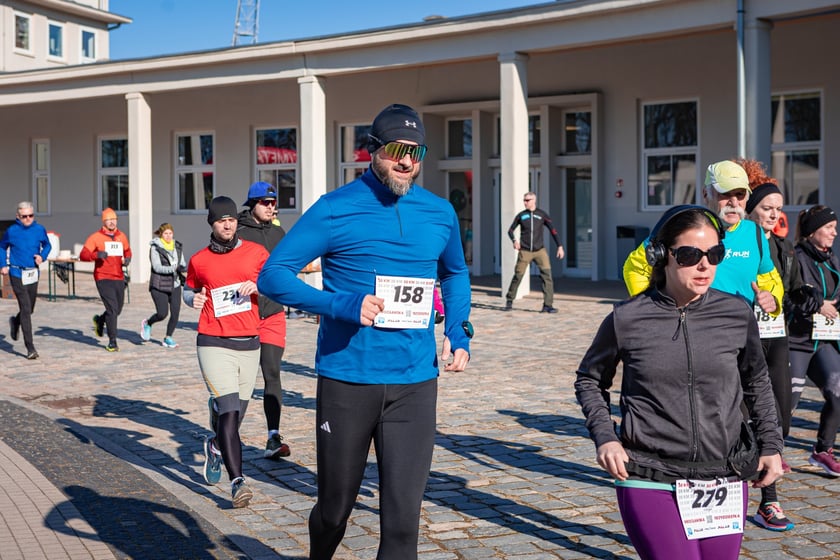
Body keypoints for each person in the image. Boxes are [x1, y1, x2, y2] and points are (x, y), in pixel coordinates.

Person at [257, 103, 472, 559]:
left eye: (416, 152)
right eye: (396, 149)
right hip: (347, 380)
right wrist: (342, 304)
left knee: (401, 523)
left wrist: (458, 329)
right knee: (336, 509)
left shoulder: (439, 213)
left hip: (415, 382)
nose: (407, 161)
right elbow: (274, 275)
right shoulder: (335, 209)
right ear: (371, 151)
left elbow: (454, 273)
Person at [576, 205, 784, 560]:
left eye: (714, 254)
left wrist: (771, 444)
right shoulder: (627, 318)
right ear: (662, 255)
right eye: (690, 255)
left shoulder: (736, 313)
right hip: (648, 473)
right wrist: (605, 437)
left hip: (724, 474)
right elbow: (589, 380)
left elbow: (757, 380)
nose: (705, 266)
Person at [742, 159, 815, 531]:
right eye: (766, 208)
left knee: (780, 417)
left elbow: (793, 293)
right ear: (749, 209)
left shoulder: (783, 249)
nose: (774, 214)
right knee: (740, 419)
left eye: (777, 209)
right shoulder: (736, 244)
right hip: (742, 339)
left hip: (776, 337)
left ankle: (761, 489)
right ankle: (765, 501)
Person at [183, 196, 268, 508]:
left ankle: (216, 445)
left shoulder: (256, 253)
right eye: (221, 220)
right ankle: (238, 482)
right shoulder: (199, 260)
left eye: (231, 219)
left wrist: (258, 287)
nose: (228, 224)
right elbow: (190, 289)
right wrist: (188, 300)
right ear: (212, 223)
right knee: (230, 411)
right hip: (213, 341)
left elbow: (274, 282)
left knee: (236, 415)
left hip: (249, 342)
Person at [623, 160, 783, 314]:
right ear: (706, 194)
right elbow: (635, 267)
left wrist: (773, 298)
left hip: (740, 332)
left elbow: (768, 277)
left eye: (740, 195)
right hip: (692, 333)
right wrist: (651, 308)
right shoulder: (681, 226)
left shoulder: (754, 232)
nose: (734, 203)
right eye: (725, 194)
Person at [237, 181, 291, 459]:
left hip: (272, 313)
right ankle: (226, 430)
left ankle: (273, 436)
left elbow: (286, 269)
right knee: (241, 380)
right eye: (264, 202)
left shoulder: (279, 232)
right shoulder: (238, 232)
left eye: (272, 202)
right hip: (243, 314)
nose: (271, 206)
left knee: (272, 373)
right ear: (252, 204)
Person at [786, 205, 840, 476]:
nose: (834, 232)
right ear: (813, 231)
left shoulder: (830, 259)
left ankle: (822, 451)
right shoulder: (795, 257)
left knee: (838, 392)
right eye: (829, 228)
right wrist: (817, 304)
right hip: (797, 340)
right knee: (787, 403)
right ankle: (769, 452)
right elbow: (791, 293)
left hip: (824, 340)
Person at [0, 201, 51, 360]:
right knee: (26, 307)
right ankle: (30, 348)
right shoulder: (12, 231)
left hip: (32, 274)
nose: (28, 219)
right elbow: (2, 247)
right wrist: (3, 265)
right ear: (18, 216)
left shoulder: (39, 229)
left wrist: (42, 256)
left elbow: (47, 245)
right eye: (24, 216)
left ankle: (15, 321)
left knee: (30, 309)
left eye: (31, 215)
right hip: (16, 273)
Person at [80, 208, 132, 352]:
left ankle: (100, 320)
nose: (112, 222)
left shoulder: (121, 236)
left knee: (118, 308)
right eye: (109, 220)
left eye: (114, 219)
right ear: (104, 222)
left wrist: (127, 259)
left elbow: (127, 251)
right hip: (103, 276)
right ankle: (112, 341)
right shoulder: (95, 237)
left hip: (118, 276)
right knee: (112, 308)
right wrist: (96, 255)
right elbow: (83, 254)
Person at [504, 192, 565, 313]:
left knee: (547, 276)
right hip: (525, 251)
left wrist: (560, 246)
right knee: (518, 275)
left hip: (540, 251)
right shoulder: (521, 216)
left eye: (527, 200)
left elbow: (553, 231)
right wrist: (515, 241)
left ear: (534, 200)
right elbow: (510, 230)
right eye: (524, 200)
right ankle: (509, 300)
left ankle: (548, 305)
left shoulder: (542, 215)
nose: (525, 202)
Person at [140, 223, 187, 348]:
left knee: (175, 313)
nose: (168, 236)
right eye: (165, 233)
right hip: (159, 285)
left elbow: (182, 262)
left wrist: (182, 268)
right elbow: (157, 267)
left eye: (170, 233)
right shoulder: (155, 248)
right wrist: (173, 268)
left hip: (175, 284)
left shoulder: (177, 246)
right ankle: (148, 323)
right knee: (162, 313)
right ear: (161, 234)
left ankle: (168, 337)